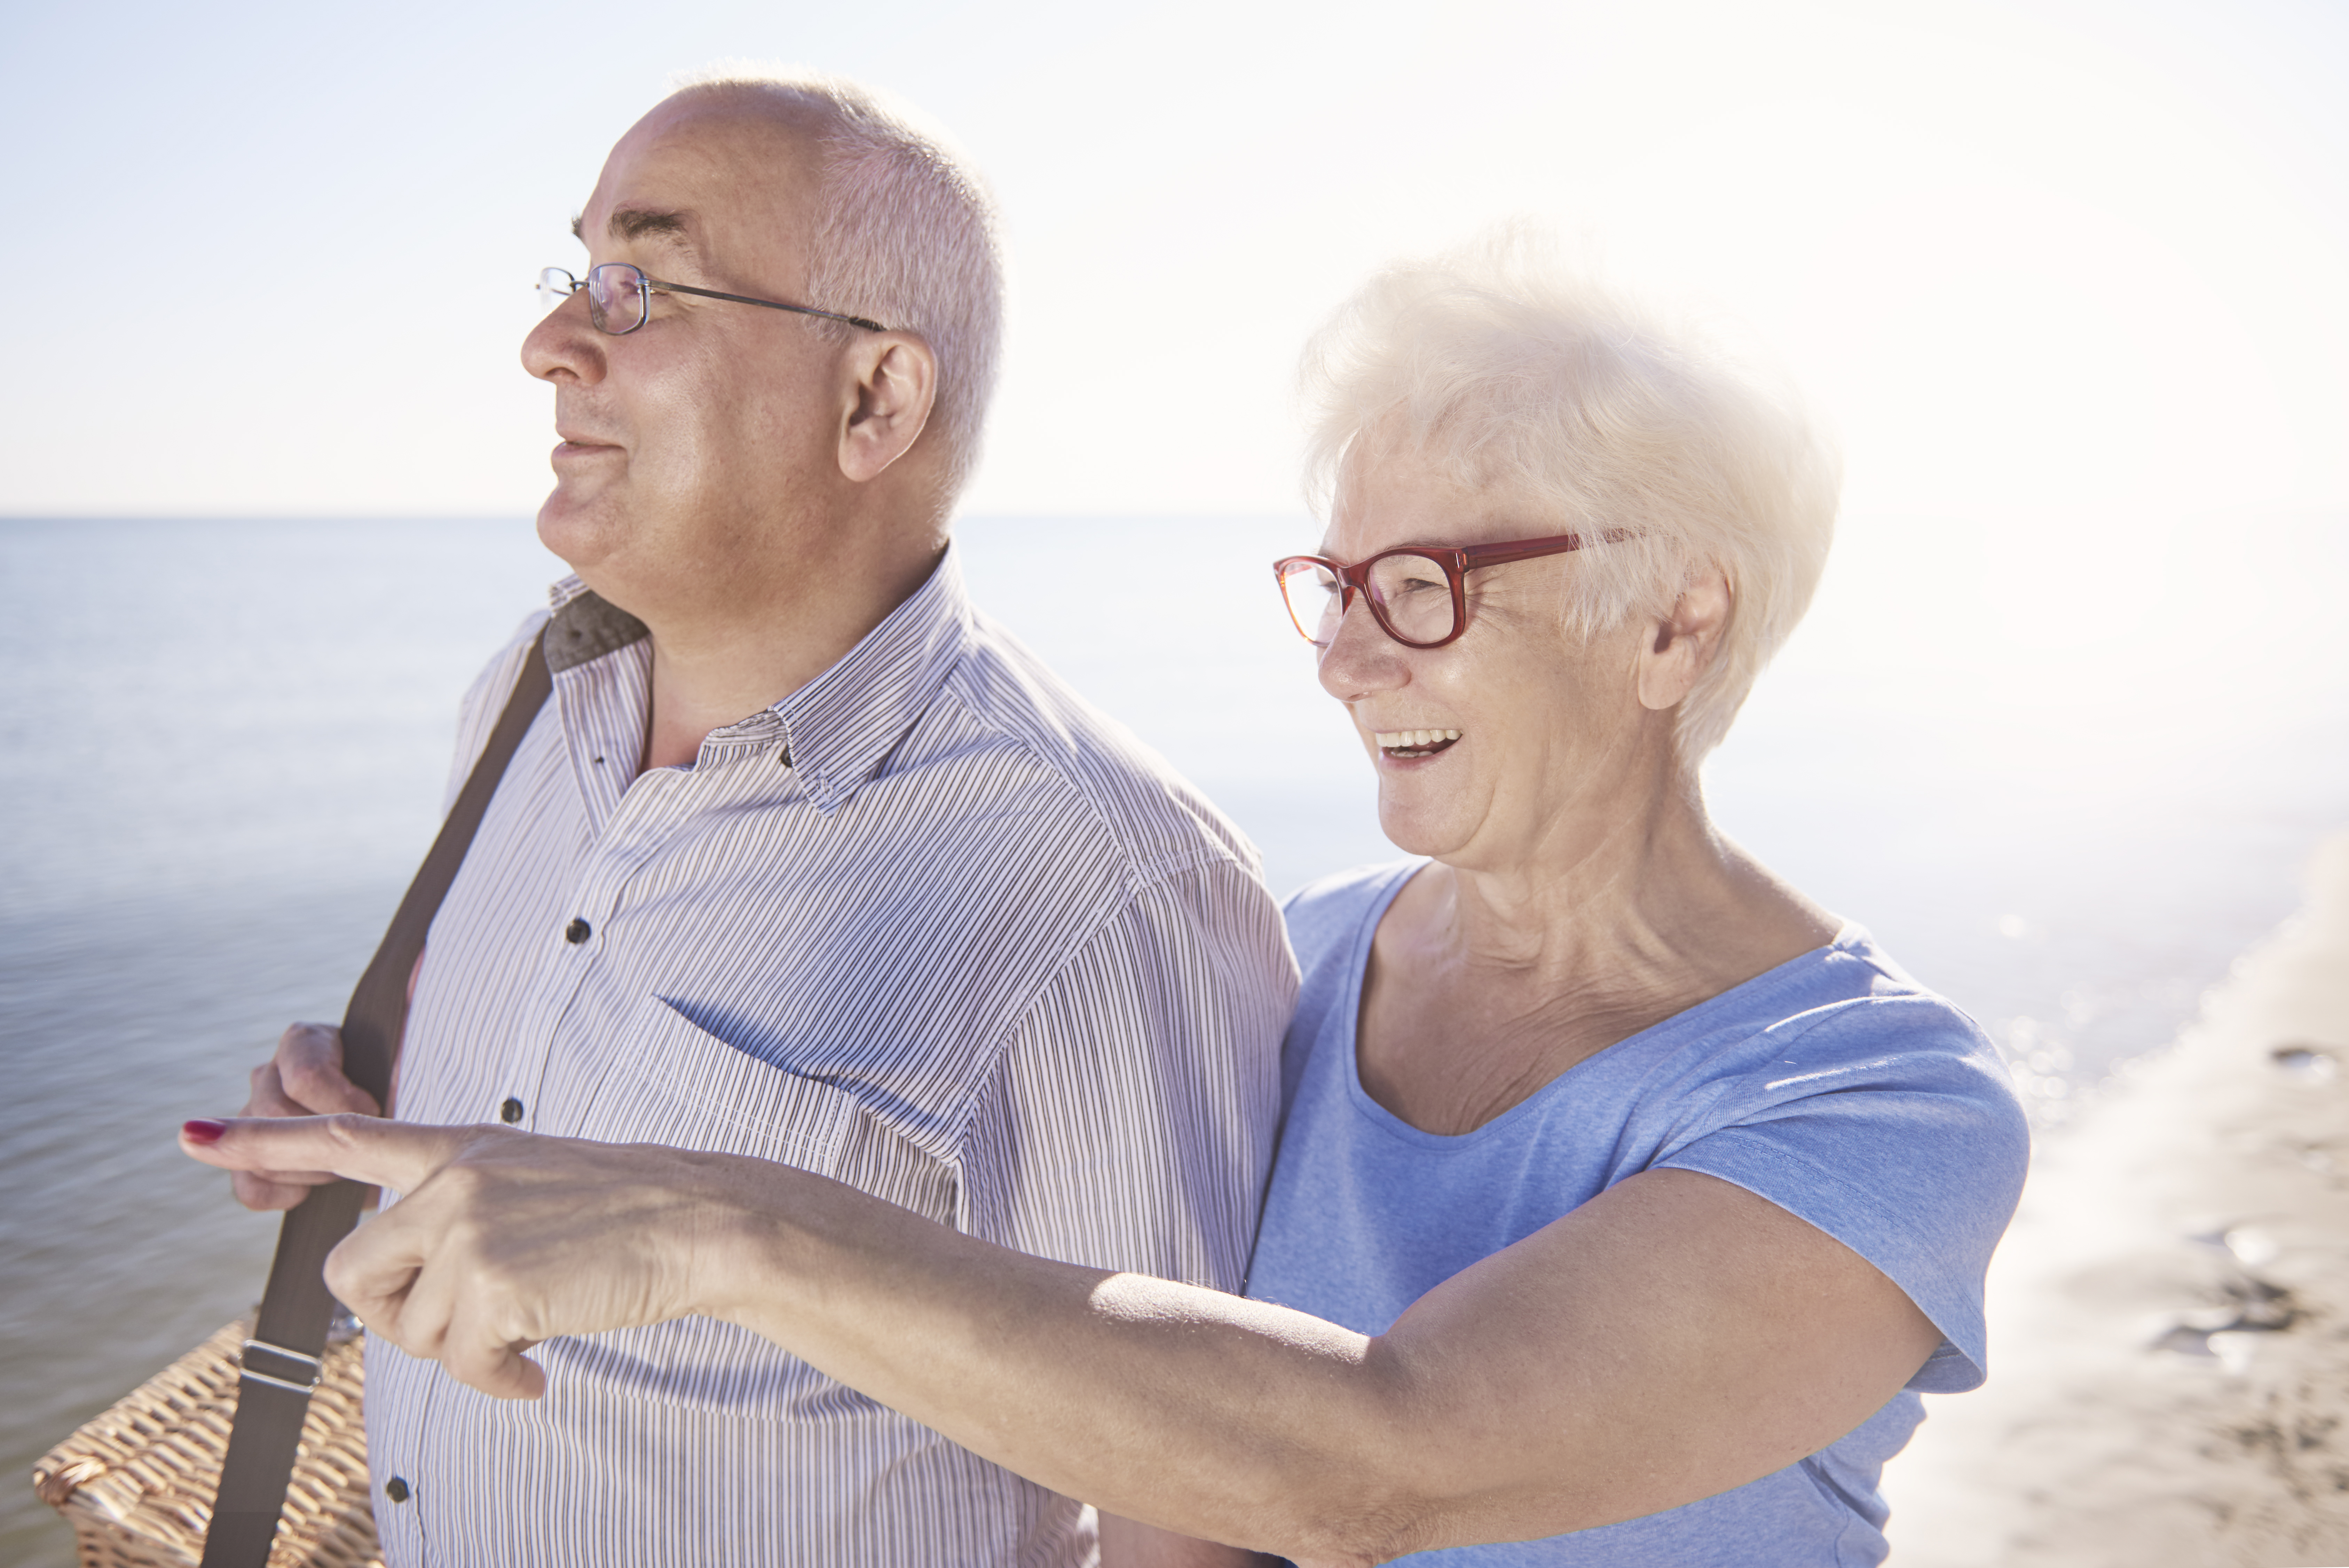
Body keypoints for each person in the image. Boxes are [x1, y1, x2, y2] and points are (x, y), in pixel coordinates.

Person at [188, 235, 2030, 1566]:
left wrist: (719, 1221)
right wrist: (434, 1090)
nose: (1345, 662)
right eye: (1336, 585)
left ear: (1677, 619)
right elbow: (1075, 1354)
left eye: (1425, 589)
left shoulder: (1877, 1110)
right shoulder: (1305, 951)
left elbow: (1373, 1462)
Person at [211, 69, 1297, 1567]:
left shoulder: (1107, 879)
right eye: (576, 276)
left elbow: (1196, 1516)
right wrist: (359, 1120)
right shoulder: (527, 697)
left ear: (874, 399)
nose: (547, 344)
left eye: (643, 287)